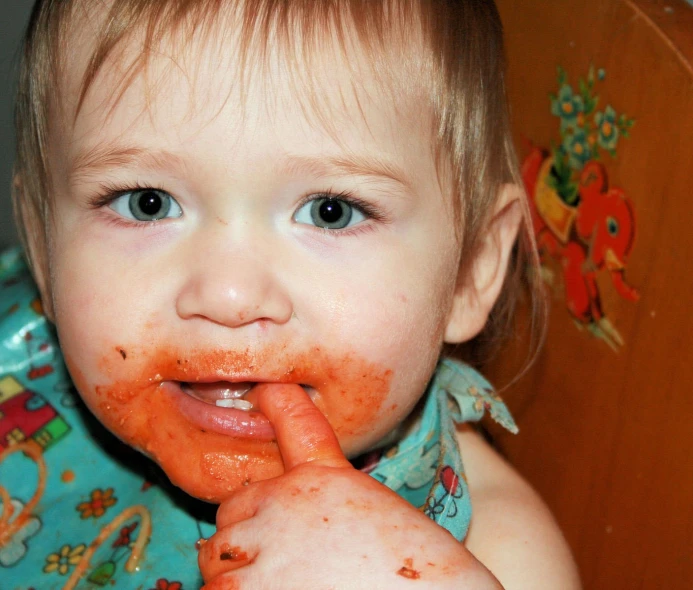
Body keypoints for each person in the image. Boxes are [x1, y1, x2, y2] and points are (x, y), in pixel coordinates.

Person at [0, 0, 581, 588]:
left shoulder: (498, 555)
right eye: (146, 202)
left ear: (470, 270)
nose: (229, 296)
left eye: (331, 212)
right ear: (42, 246)